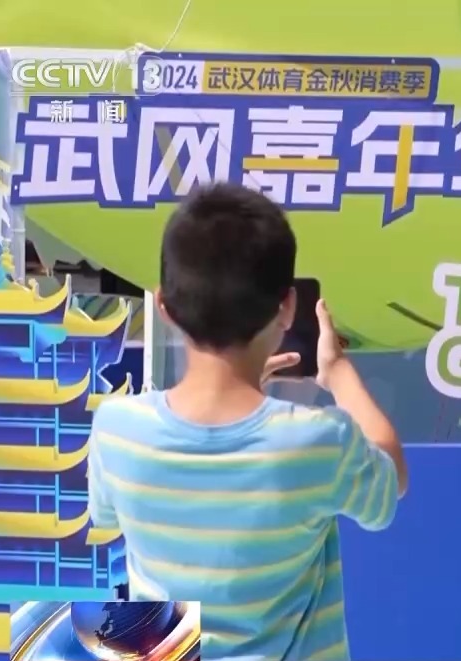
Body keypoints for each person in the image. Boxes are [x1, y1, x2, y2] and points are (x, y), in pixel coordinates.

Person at [86, 183, 408, 660]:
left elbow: (107, 517)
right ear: (287, 307)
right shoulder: (317, 439)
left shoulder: (117, 429)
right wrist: (338, 373)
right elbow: (391, 480)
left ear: (164, 305)